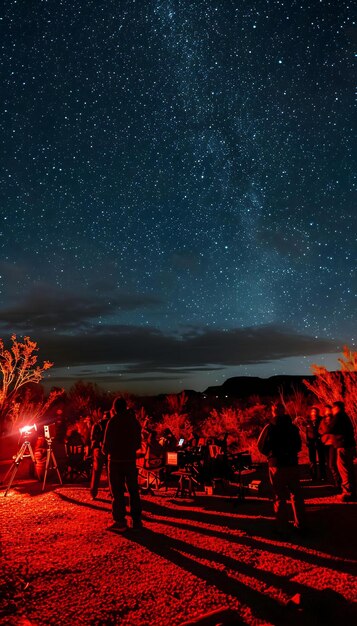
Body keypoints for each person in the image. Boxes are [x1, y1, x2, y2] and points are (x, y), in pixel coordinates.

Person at [257, 403, 306, 534]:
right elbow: (299, 445)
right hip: (292, 463)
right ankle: (300, 524)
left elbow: (260, 445)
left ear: (273, 412)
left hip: (276, 464)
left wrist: (270, 455)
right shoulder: (293, 428)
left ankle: (282, 526)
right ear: (283, 411)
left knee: (279, 495)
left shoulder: (269, 427)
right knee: (296, 494)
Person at [103, 397, 143, 531]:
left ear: (114, 408)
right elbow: (138, 442)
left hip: (115, 462)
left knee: (117, 492)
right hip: (130, 461)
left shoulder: (113, 422)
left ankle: (120, 521)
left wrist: (106, 450)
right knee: (133, 491)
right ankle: (136, 520)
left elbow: (106, 445)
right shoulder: (134, 421)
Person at [319, 401, 356, 502]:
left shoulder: (338, 416)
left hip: (342, 446)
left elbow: (330, 428)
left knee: (343, 469)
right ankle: (353, 490)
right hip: (349, 445)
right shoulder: (345, 416)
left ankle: (347, 492)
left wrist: (325, 431)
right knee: (349, 468)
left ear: (336, 408)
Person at [319, 405, 341, 490]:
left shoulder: (334, 420)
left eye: (328, 410)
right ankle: (334, 481)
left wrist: (327, 433)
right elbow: (320, 429)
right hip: (325, 444)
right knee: (329, 464)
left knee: (332, 464)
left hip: (332, 443)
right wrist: (323, 435)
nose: (327, 412)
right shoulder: (323, 420)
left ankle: (338, 481)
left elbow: (330, 430)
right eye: (325, 410)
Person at [89, 410, 110, 499]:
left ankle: (93, 493)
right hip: (109, 450)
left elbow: (92, 438)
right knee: (111, 472)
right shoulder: (112, 424)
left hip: (98, 451)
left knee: (96, 472)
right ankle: (112, 492)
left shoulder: (97, 425)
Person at [305, 407, 327, 481]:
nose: (314, 413)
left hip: (320, 442)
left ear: (318, 412)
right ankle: (313, 476)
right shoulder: (308, 421)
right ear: (310, 413)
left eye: (315, 411)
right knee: (312, 460)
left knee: (322, 460)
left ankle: (323, 476)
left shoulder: (321, 420)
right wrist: (307, 441)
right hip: (311, 443)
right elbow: (307, 432)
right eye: (313, 411)